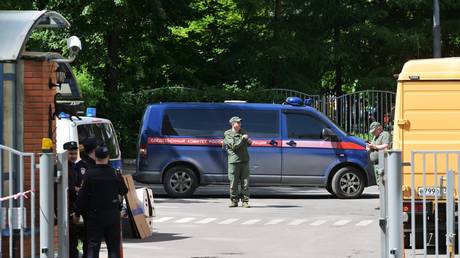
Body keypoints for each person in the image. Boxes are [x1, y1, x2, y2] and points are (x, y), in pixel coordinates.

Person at [76, 145, 128, 258]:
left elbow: (82, 196)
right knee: (113, 247)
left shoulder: (89, 174)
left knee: (93, 246)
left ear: (95, 156)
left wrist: (77, 213)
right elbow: (124, 190)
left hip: (95, 216)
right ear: (108, 157)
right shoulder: (115, 173)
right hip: (113, 215)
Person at [75, 136, 100, 258]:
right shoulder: (83, 166)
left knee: (93, 238)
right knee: (90, 239)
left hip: (95, 207)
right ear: (94, 150)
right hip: (89, 207)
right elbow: (81, 187)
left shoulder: (96, 163)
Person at [223, 116, 252, 208]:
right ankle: (234, 200)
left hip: (244, 160)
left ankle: (245, 201)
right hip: (234, 161)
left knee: (245, 182)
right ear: (233, 124)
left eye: (240, 123)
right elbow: (234, 146)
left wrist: (249, 141)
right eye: (238, 122)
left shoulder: (243, 131)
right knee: (233, 182)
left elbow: (248, 144)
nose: (240, 124)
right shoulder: (228, 134)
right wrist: (243, 139)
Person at [63, 141, 82, 258]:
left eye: (75, 154)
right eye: (71, 154)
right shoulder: (61, 167)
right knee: (70, 237)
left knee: (73, 237)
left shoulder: (75, 167)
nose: (73, 156)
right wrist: (75, 188)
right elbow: (61, 186)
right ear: (65, 153)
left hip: (73, 206)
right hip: (65, 206)